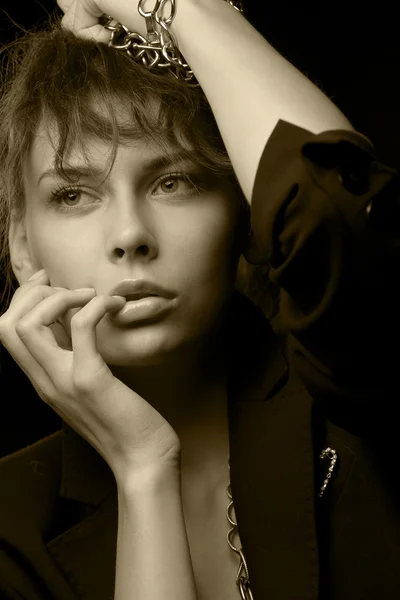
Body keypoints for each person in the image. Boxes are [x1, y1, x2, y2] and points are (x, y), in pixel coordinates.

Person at [0, 0, 398, 599]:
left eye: (173, 181)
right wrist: (143, 468)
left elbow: (333, 213)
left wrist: (183, 7)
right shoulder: (10, 525)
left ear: (246, 217)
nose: (131, 235)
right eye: (75, 194)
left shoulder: (358, 398)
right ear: (22, 246)